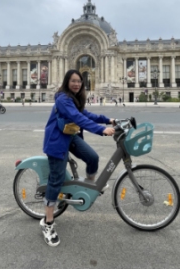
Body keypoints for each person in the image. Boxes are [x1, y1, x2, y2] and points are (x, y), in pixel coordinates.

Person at [41, 69, 115, 247]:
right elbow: (77, 118)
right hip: (57, 140)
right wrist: (100, 130)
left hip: (70, 136)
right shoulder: (63, 98)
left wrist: (108, 120)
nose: (76, 84)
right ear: (67, 82)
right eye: (73, 81)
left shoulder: (75, 99)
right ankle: (47, 222)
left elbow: (86, 115)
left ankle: (91, 185)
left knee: (92, 157)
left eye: (79, 81)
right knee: (56, 179)